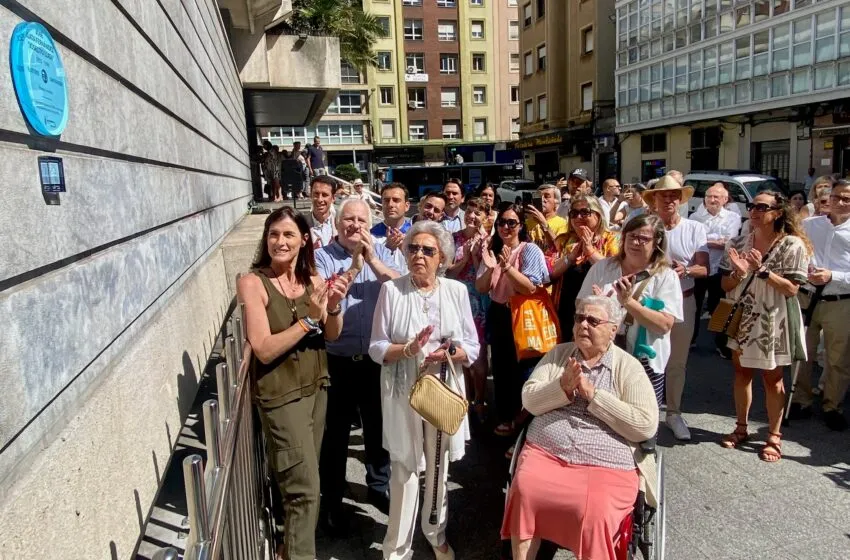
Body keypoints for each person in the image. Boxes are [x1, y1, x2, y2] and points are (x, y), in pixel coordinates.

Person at [501, 295, 659, 560]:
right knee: (526, 490)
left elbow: (645, 424)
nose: (583, 325)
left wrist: (594, 396)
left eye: (593, 321)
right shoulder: (559, 355)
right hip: (547, 454)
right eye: (579, 318)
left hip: (605, 465)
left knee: (596, 512)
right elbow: (529, 399)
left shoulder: (628, 367)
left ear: (613, 330)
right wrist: (561, 388)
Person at [237, 207, 350, 560]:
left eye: (288, 234)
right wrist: (307, 321)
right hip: (281, 396)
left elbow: (332, 334)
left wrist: (333, 306)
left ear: (304, 239)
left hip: (317, 389)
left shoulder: (313, 279)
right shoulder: (253, 282)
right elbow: (263, 348)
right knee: (305, 490)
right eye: (273, 234)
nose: (280, 241)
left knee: (302, 482)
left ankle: (287, 549)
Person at [369, 221, 480, 560]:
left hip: (443, 387)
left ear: (442, 257)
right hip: (402, 389)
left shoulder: (456, 291)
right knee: (403, 467)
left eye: (428, 250)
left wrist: (449, 352)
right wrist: (408, 349)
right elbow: (376, 347)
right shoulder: (392, 291)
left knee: (438, 466)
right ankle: (396, 548)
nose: (419, 255)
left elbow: (472, 347)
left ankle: (435, 533)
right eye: (413, 248)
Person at [315, 199, 401, 532]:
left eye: (361, 220)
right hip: (337, 359)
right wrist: (353, 266)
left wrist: (373, 260)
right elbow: (325, 298)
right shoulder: (322, 257)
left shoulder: (384, 251)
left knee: (378, 428)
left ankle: (379, 487)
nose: (355, 225)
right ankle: (333, 499)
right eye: (348, 219)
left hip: (376, 360)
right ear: (337, 224)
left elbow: (401, 286)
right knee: (335, 435)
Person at [719, 192, 811, 462]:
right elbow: (725, 285)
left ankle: (774, 435)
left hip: (773, 317)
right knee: (741, 372)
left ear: (778, 212)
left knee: (773, 378)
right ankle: (741, 427)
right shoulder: (738, 242)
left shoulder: (792, 245)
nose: (754, 211)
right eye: (752, 206)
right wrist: (738, 272)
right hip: (743, 315)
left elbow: (792, 289)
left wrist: (762, 271)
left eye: (762, 207)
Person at [578, 214, 683, 406]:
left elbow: (664, 325)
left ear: (657, 242)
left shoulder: (666, 276)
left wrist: (627, 302)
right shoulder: (603, 268)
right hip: (601, 357)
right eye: (631, 236)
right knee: (600, 412)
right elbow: (579, 308)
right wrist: (598, 306)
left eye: (644, 238)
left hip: (645, 361)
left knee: (642, 417)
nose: (635, 242)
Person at [642, 176, 709, 440]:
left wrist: (687, 270)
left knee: (677, 362)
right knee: (646, 358)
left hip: (684, 300)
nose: (669, 200)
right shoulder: (646, 226)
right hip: (650, 304)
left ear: (680, 200)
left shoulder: (695, 228)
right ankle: (645, 413)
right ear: (655, 199)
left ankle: (673, 413)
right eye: (664, 195)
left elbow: (704, 268)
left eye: (674, 195)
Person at [476, 204, 549, 437]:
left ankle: (525, 424)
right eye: (502, 222)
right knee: (501, 370)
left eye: (512, 222)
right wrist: (492, 267)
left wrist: (508, 268)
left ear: (521, 226)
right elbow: (481, 287)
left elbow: (530, 287)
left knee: (525, 372)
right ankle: (507, 417)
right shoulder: (493, 251)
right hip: (499, 314)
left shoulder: (529, 250)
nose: (506, 227)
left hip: (522, 315)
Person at [791, 180, 850, 431]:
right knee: (802, 352)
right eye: (837, 197)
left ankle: (832, 406)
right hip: (807, 296)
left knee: (838, 358)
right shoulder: (809, 225)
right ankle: (801, 400)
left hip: (840, 301)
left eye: (847, 199)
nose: (841, 202)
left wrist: (832, 276)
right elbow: (795, 252)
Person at [550, 194, 619, 340]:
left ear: (598, 214)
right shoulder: (564, 240)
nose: (578, 217)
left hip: (596, 313)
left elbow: (614, 271)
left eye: (585, 212)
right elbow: (551, 273)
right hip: (566, 307)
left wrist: (590, 251)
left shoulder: (611, 239)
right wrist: (569, 258)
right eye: (574, 213)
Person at [447, 198, 491, 423]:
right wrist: (464, 258)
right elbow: (448, 273)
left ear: (485, 218)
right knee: (460, 351)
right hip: (456, 300)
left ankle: (480, 401)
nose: (472, 216)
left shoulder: (488, 240)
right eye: (470, 212)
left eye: (478, 213)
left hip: (479, 303)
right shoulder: (453, 239)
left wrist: (475, 255)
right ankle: (466, 398)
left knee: (479, 354)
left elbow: (487, 273)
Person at [689, 183, 742, 345]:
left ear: (725, 200)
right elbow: (693, 243)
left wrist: (704, 240)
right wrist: (716, 241)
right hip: (699, 267)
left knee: (720, 308)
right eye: (709, 197)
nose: (712, 200)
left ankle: (721, 344)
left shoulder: (733, 217)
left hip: (720, 268)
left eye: (716, 197)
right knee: (695, 306)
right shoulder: (694, 217)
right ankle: (691, 340)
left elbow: (728, 243)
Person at [371, 182, 413, 273]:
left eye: (396, 200)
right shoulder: (371, 236)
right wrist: (387, 249)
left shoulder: (416, 235)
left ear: (406, 206)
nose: (390, 204)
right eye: (386, 200)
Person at [524, 184, 569, 255]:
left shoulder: (563, 224)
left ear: (556, 202)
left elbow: (560, 248)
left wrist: (544, 224)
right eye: (539, 196)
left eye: (547, 196)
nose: (542, 200)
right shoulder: (527, 223)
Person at [305, 175, 338, 249]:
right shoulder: (301, 224)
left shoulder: (341, 225)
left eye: (324, 195)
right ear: (311, 195)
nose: (320, 199)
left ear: (333, 198)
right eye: (316, 194)